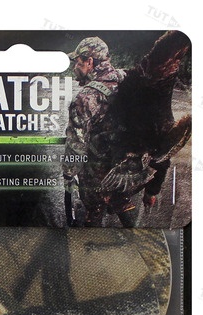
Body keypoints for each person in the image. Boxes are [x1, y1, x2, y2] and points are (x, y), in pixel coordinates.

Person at [63, 37, 136, 227]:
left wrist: (68, 173)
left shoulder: (85, 97)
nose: (75, 68)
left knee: (93, 212)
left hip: (97, 171)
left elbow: (76, 144)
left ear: (89, 62)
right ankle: (142, 239)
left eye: (77, 62)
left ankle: (90, 242)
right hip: (127, 165)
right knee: (123, 202)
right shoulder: (126, 79)